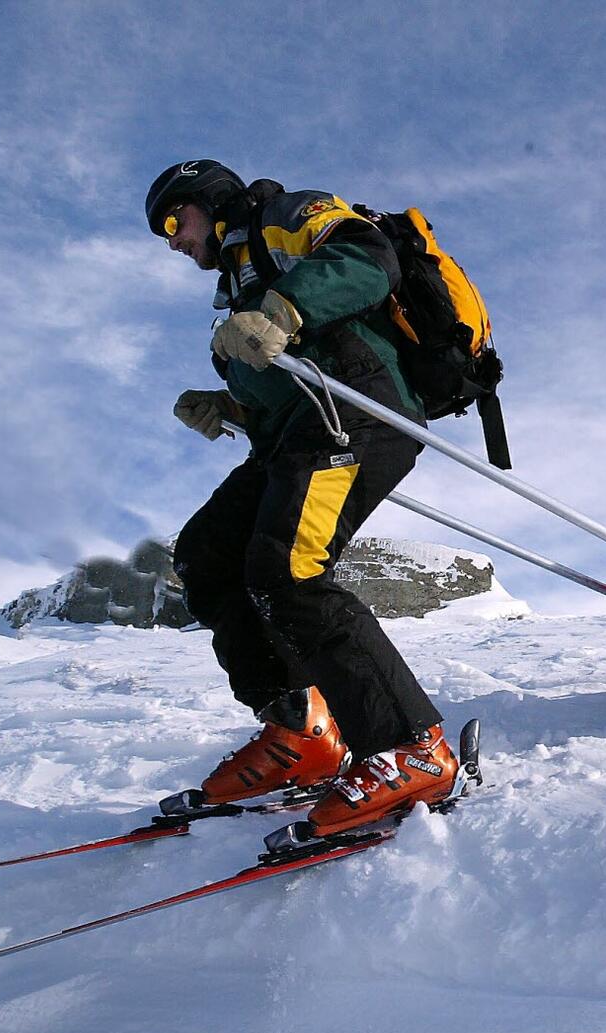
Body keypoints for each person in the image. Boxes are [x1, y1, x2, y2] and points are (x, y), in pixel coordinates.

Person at [145, 160, 457, 837]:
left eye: (174, 221)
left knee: (291, 570)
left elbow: (368, 258)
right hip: (293, 436)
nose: (171, 240)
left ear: (208, 198)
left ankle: (412, 747)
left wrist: (283, 309)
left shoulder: (284, 216)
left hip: (360, 415)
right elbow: (281, 381)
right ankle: (301, 731)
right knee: (209, 555)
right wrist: (229, 405)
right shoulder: (238, 283)